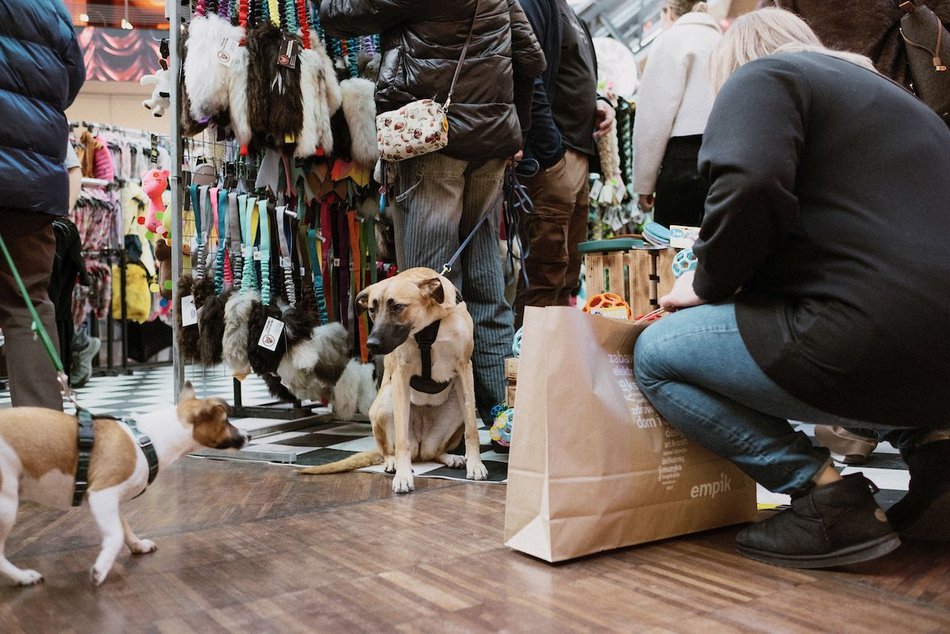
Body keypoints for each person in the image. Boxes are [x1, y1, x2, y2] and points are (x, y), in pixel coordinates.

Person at [633, 8, 950, 569]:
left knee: (658, 354)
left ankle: (822, 497)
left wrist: (705, 281)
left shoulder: (763, 76)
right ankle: (939, 478)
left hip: (861, 339)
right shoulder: (912, 110)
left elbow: (751, 183)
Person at [319, 0, 546, 426]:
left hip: (432, 140)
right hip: (491, 146)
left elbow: (341, 16)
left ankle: (439, 421)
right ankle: (500, 414)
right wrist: (517, 131)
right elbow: (532, 58)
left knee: (427, 291)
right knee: (483, 284)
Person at [758, 0, 950, 462]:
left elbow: (774, 30)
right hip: (910, 116)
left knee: (843, 260)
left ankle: (858, 424)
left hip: (822, 115)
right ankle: (926, 436)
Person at [0, 0, 85, 410]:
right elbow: (71, 82)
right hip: (31, 185)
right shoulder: (54, 10)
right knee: (28, 304)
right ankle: (43, 450)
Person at [512, 0, 614, 330]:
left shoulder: (571, 14)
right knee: (545, 272)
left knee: (567, 274)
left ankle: (557, 367)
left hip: (577, 155)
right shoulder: (535, 3)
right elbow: (530, 73)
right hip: (555, 159)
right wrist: (549, 151)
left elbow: (572, 75)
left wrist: (599, 103)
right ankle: (529, 374)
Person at [631, 1, 721, 229]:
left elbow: (654, 118)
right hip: (724, 156)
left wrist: (645, 183)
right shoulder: (725, 41)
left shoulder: (670, 41)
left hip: (683, 161)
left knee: (674, 252)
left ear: (669, 11)